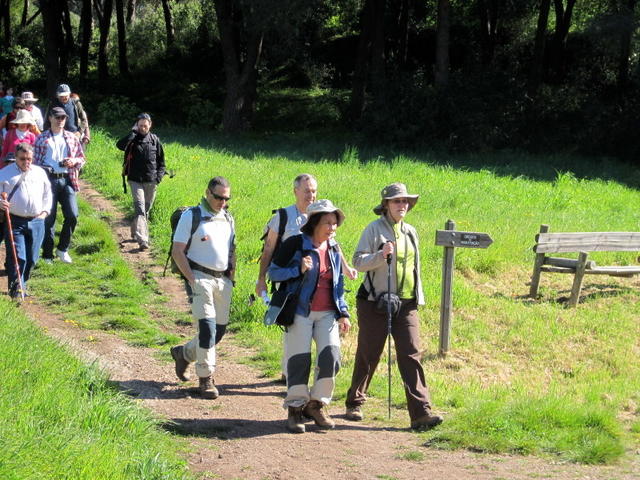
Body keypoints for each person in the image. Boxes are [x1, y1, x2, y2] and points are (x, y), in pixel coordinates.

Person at [344, 182, 443, 431]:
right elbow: (357, 261)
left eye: (405, 201)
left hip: (406, 303)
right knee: (370, 353)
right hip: (374, 302)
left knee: (411, 354)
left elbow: (413, 268)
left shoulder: (411, 231)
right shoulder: (373, 230)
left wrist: (416, 296)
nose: (403, 205)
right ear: (386, 205)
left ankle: (421, 413)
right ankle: (354, 402)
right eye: (397, 201)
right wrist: (380, 255)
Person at [256, 174, 356, 382]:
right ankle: (290, 376)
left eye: (314, 191)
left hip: (320, 290)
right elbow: (268, 250)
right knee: (292, 324)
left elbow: (332, 247)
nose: (311, 194)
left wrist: (345, 268)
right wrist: (261, 279)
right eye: (307, 190)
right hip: (290, 282)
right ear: (296, 191)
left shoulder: (323, 216)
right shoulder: (283, 217)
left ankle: (296, 379)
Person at [268, 199, 351, 434]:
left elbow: (338, 285)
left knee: (331, 357)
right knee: (299, 361)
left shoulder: (334, 248)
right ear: (314, 222)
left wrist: (343, 312)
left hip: (327, 314)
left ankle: (316, 405)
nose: (332, 227)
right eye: (327, 222)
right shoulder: (295, 244)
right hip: (299, 312)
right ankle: (295, 408)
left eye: (335, 223)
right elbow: (273, 272)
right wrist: (298, 270)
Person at [169, 176, 236, 400]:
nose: (222, 202)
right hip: (199, 277)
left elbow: (232, 249)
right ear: (208, 193)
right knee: (207, 329)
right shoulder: (191, 216)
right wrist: (191, 279)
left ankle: (184, 353)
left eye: (226, 198)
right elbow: (177, 251)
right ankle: (205, 378)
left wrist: (230, 278)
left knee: (219, 332)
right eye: (218, 197)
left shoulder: (228, 218)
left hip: (222, 281)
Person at [33, 107, 85, 264]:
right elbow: (34, 164)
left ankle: (62, 249)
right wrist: (45, 169)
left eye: (63, 117)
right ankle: (47, 254)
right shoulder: (42, 139)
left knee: (72, 215)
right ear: (50, 118)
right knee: (49, 219)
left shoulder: (71, 137)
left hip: (67, 178)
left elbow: (82, 158)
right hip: (48, 180)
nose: (60, 120)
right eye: (57, 117)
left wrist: (73, 161)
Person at [0, 143, 51, 299]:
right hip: (15, 221)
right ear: (16, 157)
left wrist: (44, 212)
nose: (26, 162)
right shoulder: (4, 174)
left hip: (37, 221)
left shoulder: (40, 173)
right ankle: (17, 290)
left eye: (29, 159)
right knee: (18, 256)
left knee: (32, 258)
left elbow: (47, 194)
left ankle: (23, 284)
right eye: (22, 159)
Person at [116, 113, 165, 250]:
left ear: (150, 125)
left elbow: (162, 163)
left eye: (145, 125)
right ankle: (143, 240)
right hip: (134, 180)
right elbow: (119, 145)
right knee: (140, 209)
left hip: (151, 181)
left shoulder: (155, 140)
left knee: (145, 210)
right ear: (136, 125)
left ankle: (135, 230)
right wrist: (132, 133)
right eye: (140, 125)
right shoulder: (132, 139)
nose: (143, 128)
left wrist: (158, 178)